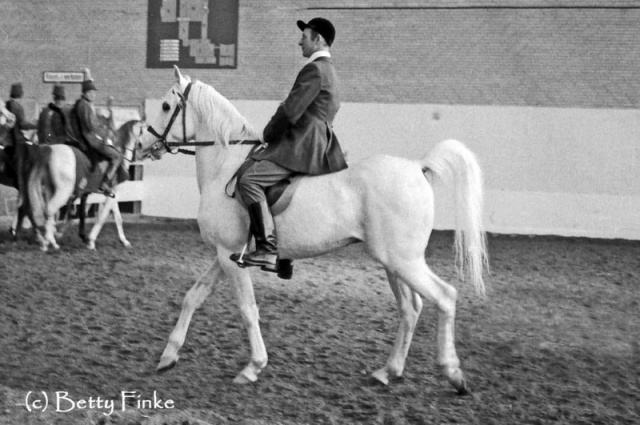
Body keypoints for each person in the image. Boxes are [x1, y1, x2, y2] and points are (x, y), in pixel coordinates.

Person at [231, 17, 348, 271]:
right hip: (322, 144)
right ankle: (286, 255)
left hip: (303, 144)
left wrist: (268, 133)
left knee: (250, 180)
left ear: (317, 39)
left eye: (304, 37)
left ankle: (267, 249)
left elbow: (290, 112)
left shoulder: (314, 70)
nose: (299, 42)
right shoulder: (331, 71)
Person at [66, 77, 122, 198]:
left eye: (94, 92)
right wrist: (103, 126)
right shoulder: (85, 105)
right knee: (117, 156)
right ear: (85, 93)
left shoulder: (83, 104)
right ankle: (105, 183)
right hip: (92, 140)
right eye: (91, 92)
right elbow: (91, 125)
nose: (93, 95)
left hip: (90, 137)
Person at [4, 82, 38, 206]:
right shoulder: (17, 106)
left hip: (6, 139)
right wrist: (36, 125)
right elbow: (23, 124)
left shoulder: (7, 104)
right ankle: (21, 182)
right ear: (20, 94)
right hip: (17, 140)